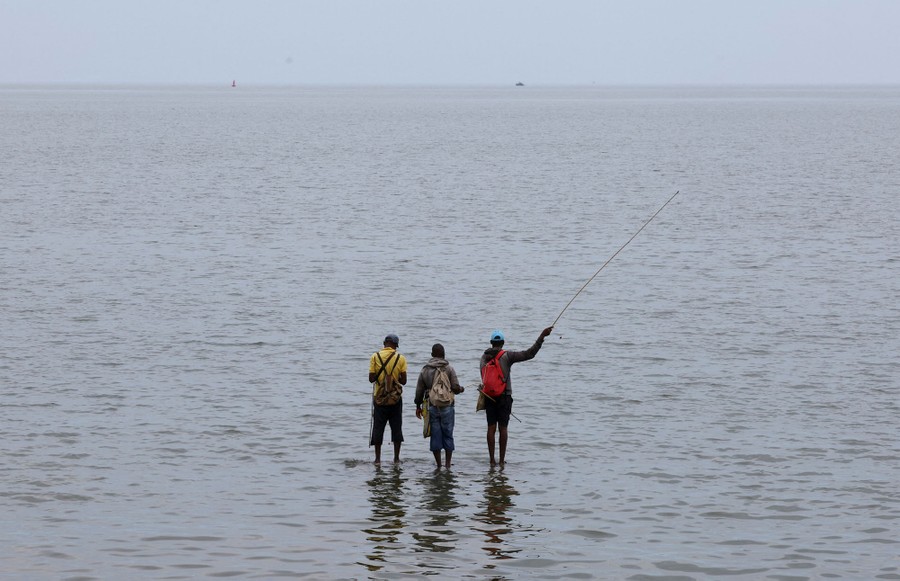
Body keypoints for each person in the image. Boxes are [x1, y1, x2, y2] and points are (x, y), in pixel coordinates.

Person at [479, 326, 553, 467]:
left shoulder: (483, 358)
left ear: (491, 342)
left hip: (488, 397)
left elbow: (484, 378)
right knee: (503, 428)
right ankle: (501, 461)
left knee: (491, 428)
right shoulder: (507, 356)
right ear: (503, 342)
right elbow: (529, 354)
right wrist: (542, 336)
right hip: (504, 397)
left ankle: (491, 461)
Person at [415, 344, 465, 469]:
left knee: (435, 435)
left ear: (432, 355)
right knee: (448, 434)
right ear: (444, 354)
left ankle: (438, 465)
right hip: (447, 406)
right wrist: (461, 389)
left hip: (432, 406)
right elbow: (455, 388)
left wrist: (417, 405)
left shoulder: (425, 369)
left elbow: (419, 390)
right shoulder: (449, 368)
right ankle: (448, 464)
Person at [368, 333, 407, 464]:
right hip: (395, 399)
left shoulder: (375, 356)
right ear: (395, 345)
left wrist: (382, 376)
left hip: (379, 398)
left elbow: (371, 379)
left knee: (378, 427)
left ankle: (378, 459)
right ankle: (396, 458)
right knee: (396, 427)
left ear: (384, 343)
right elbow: (404, 381)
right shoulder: (401, 358)